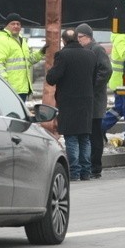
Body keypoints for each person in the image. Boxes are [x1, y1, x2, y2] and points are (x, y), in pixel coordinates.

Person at [46, 28, 97, 182]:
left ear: (64, 41)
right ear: (77, 39)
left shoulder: (62, 55)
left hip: (68, 101)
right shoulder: (91, 55)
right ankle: (86, 172)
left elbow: (52, 78)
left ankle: (74, 172)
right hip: (87, 100)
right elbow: (93, 78)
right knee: (84, 137)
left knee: (71, 137)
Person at [75, 23, 112, 179]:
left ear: (88, 37)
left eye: (80, 37)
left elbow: (106, 70)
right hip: (86, 101)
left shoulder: (96, 50)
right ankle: (88, 165)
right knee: (87, 134)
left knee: (95, 134)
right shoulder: (84, 51)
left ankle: (95, 167)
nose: (78, 40)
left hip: (95, 102)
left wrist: (92, 86)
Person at [0, 13, 45, 103]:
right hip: (10, 89)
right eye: (13, 24)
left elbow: (28, 61)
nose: (16, 26)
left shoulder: (21, 40)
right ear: (7, 26)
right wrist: (4, 85)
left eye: (18, 24)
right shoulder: (1, 41)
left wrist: (41, 53)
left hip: (22, 89)